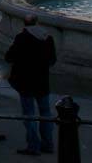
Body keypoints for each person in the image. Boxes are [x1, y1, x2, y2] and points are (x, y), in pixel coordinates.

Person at [6, 23, 58, 156]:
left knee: (29, 114)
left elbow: (9, 57)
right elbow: (52, 60)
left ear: (25, 25)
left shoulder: (22, 38)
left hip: (26, 82)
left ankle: (33, 145)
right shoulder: (47, 38)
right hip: (42, 82)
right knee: (45, 112)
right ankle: (48, 144)